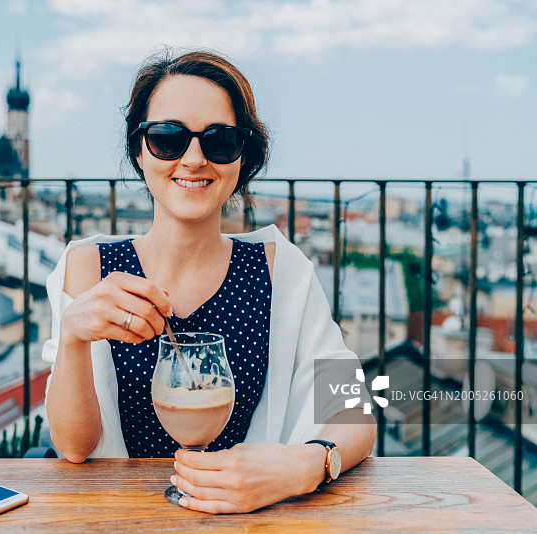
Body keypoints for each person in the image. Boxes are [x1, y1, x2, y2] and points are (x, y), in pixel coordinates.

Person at [42, 49, 376, 514]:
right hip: (117, 517)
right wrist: (74, 339)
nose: (194, 158)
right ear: (139, 150)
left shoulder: (281, 269)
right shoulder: (88, 268)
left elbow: (352, 409)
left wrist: (303, 466)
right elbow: (74, 448)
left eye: (219, 141)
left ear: (243, 157)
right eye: (167, 138)